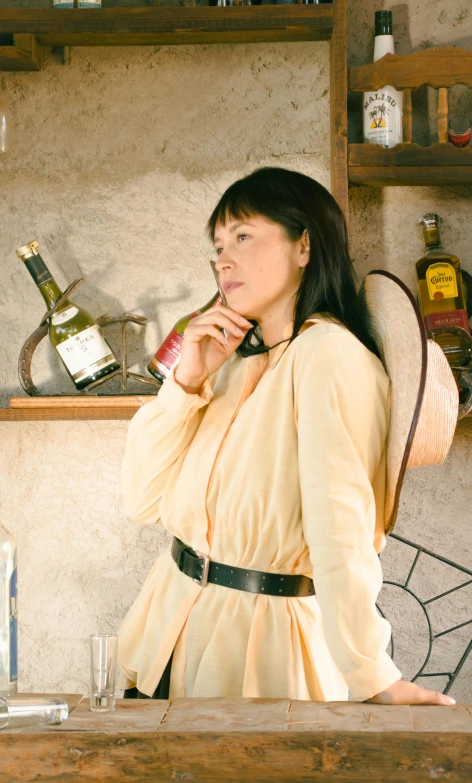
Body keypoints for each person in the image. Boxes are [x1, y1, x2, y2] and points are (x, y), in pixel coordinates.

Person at [117, 167, 456, 706]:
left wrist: (373, 677)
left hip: (255, 655)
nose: (224, 259)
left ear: (304, 245)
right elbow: (142, 500)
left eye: (244, 236)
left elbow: (339, 524)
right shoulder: (232, 363)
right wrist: (185, 384)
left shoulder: (329, 356)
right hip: (165, 629)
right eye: (219, 245)